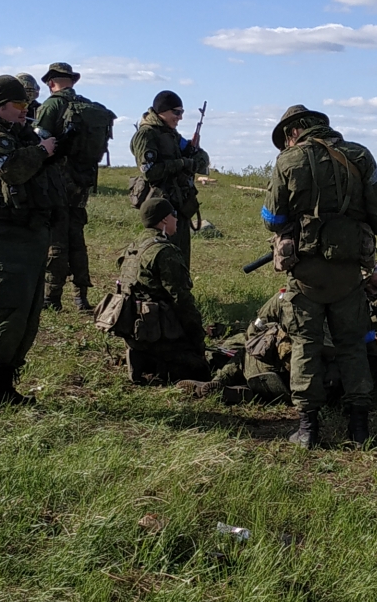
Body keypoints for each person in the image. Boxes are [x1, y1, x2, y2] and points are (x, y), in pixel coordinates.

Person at [260, 104, 377, 448]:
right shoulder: (360, 155)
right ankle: (359, 428)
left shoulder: (288, 161)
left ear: (293, 132)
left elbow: (273, 219)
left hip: (306, 271)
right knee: (352, 344)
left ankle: (307, 430)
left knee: (306, 343)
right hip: (350, 269)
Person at [0, 75, 63, 410]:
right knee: (4, 308)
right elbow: (9, 169)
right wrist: (40, 151)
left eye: (27, 106)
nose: (25, 112)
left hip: (21, 235)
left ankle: (5, 388)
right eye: (19, 106)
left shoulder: (14, 133)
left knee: (26, 312)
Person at [36, 62, 117, 313]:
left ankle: (52, 297)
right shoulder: (90, 107)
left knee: (57, 239)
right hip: (82, 180)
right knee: (77, 238)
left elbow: (38, 141)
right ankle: (81, 297)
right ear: (72, 81)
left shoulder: (51, 105)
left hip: (57, 179)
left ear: (51, 82)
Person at [111, 196, 211, 384]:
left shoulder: (132, 248)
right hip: (158, 335)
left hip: (134, 331)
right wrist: (197, 337)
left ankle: (141, 357)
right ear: (164, 220)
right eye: (174, 215)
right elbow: (182, 301)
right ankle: (158, 367)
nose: (177, 220)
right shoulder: (164, 251)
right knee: (201, 369)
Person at [194, 288, 340, 405]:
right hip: (320, 383)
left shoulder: (285, 296)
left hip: (270, 370)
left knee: (243, 353)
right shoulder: (347, 302)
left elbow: (255, 329)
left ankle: (219, 382)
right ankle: (250, 392)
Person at [129, 90, 208, 270]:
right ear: (162, 111)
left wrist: (195, 157)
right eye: (176, 112)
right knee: (164, 253)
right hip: (161, 206)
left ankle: (181, 294)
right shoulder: (147, 134)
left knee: (181, 253)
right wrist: (181, 163)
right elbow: (151, 172)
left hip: (179, 203)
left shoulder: (172, 134)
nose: (179, 118)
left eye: (182, 113)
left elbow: (193, 153)